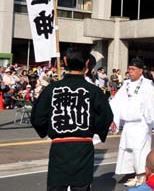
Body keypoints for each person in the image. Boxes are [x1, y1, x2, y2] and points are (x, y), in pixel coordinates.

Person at [31, 46, 113, 191]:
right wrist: (94, 128)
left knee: (56, 186)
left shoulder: (52, 89)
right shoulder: (93, 91)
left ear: (65, 61)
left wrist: (48, 130)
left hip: (59, 147)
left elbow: (37, 117)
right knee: (81, 187)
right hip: (83, 148)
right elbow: (105, 118)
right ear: (87, 64)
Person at [110, 57, 154, 187]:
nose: (130, 71)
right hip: (128, 124)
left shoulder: (147, 84)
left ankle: (142, 176)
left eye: (133, 69)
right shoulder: (126, 84)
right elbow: (116, 102)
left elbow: (152, 101)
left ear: (140, 71)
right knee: (128, 149)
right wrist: (112, 118)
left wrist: (149, 119)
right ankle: (135, 174)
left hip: (141, 123)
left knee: (139, 150)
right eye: (129, 69)